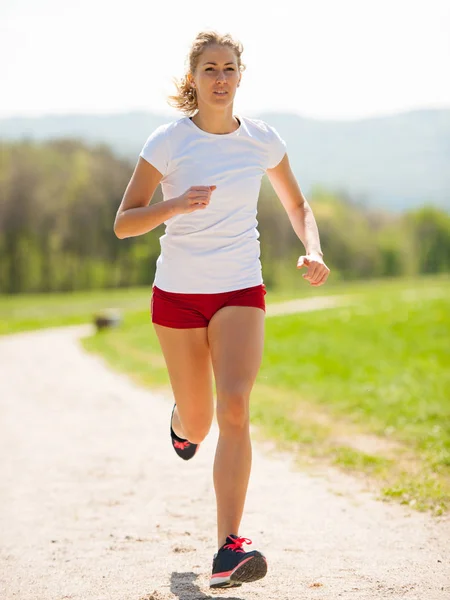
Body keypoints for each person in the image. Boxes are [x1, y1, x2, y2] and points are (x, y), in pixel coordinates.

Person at [114, 30, 330, 589]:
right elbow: (124, 222)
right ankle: (181, 423)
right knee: (202, 421)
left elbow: (297, 203)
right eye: (209, 68)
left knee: (234, 404)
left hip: (239, 289)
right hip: (178, 296)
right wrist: (175, 205)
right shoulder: (168, 141)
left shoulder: (261, 140)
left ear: (240, 76)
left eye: (229, 68)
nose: (220, 78)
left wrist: (313, 247)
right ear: (194, 79)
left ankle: (228, 548)